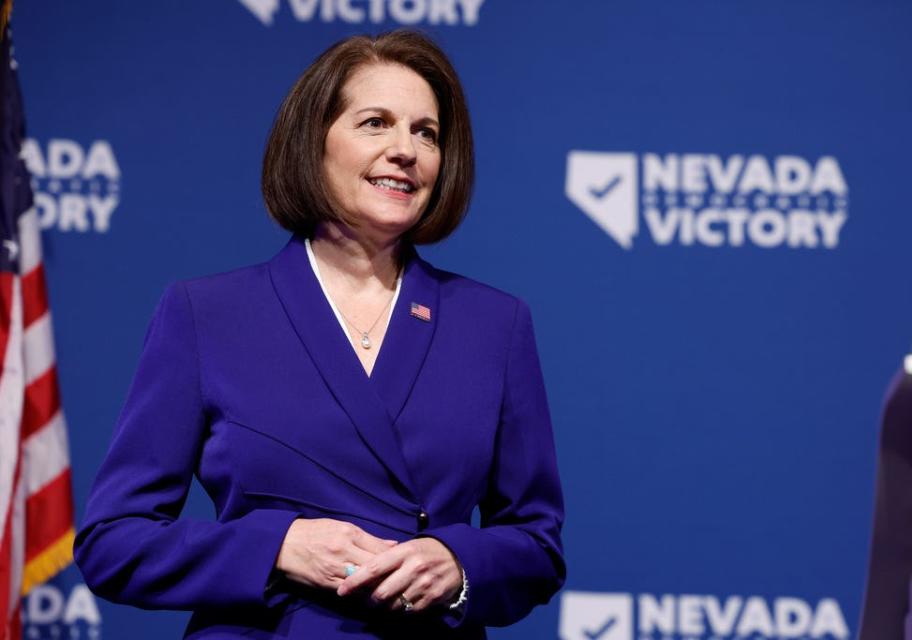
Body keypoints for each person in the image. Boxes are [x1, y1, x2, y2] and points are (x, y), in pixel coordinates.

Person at [74, 30, 565, 639]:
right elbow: (113, 543)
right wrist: (277, 547)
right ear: (314, 143)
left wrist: (461, 564)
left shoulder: (494, 324)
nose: (404, 150)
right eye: (375, 123)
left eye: (425, 133)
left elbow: (536, 544)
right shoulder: (207, 313)